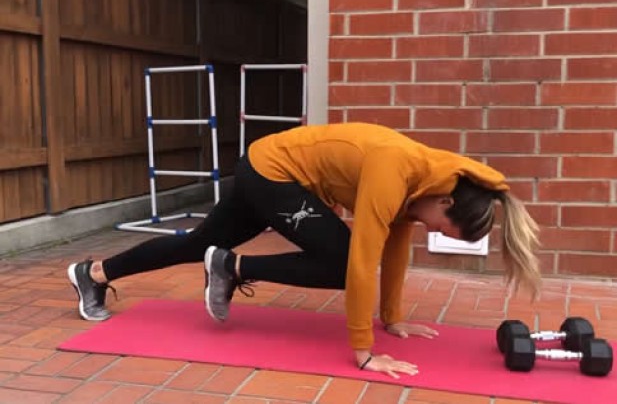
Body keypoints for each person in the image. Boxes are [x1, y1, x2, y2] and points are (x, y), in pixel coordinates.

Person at [68, 122, 541, 378]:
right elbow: (363, 263)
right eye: (445, 229)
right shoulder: (396, 170)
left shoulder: (421, 188)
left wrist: (392, 318)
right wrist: (364, 351)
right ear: (446, 202)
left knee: (197, 243)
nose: (436, 232)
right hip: (271, 171)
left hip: (266, 169)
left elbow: (396, 249)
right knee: (343, 261)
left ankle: (94, 274)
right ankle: (231, 268)